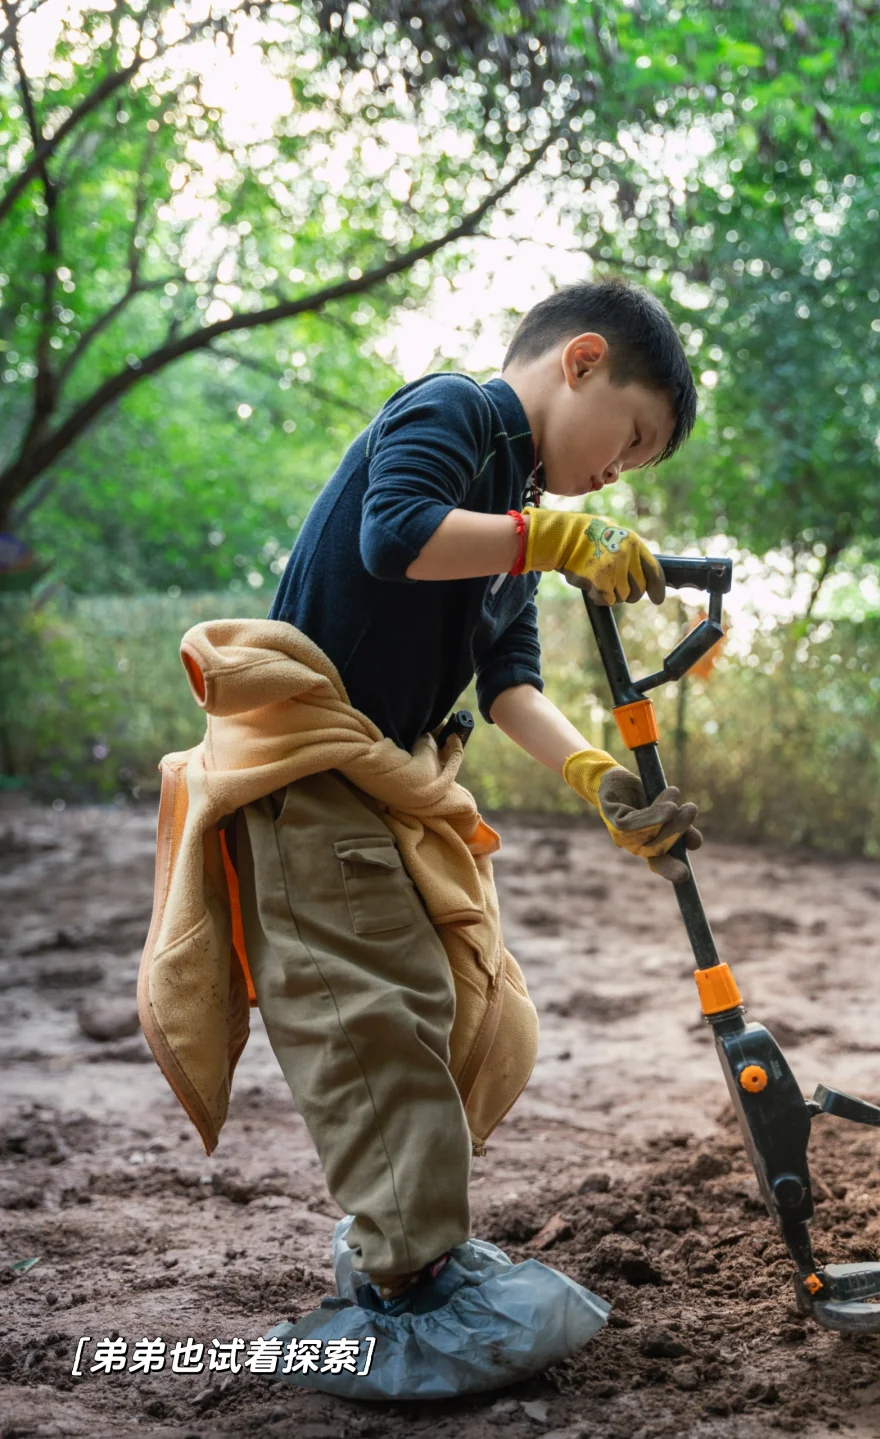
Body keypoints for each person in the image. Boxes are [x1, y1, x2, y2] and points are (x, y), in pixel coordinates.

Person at [231, 275, 702, 1326]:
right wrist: (552, 542)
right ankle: (411, 1279)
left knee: (464, 1001)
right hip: (310, 772)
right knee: (380, 1012)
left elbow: (511, 690)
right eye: (630, 436)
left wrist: (600, 780)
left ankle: (404, 1238)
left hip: (381, 783)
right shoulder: (455, 409)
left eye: (637, 464)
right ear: (582, 360)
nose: (616, 472)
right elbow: (394, 533)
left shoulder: (519, 524)